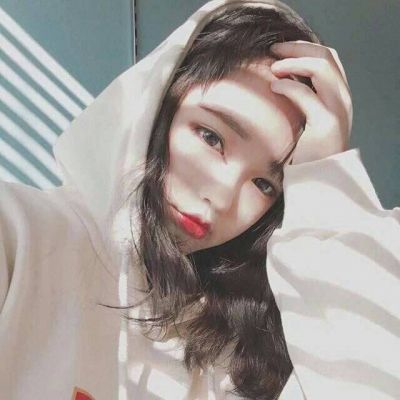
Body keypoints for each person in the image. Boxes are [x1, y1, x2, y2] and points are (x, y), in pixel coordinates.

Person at [0, 0, 399, 399]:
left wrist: (326, 183)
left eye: (264, 184)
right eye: (211, 137)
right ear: (158, 106)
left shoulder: (242, 350)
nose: (222, 198)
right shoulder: (20, 237)